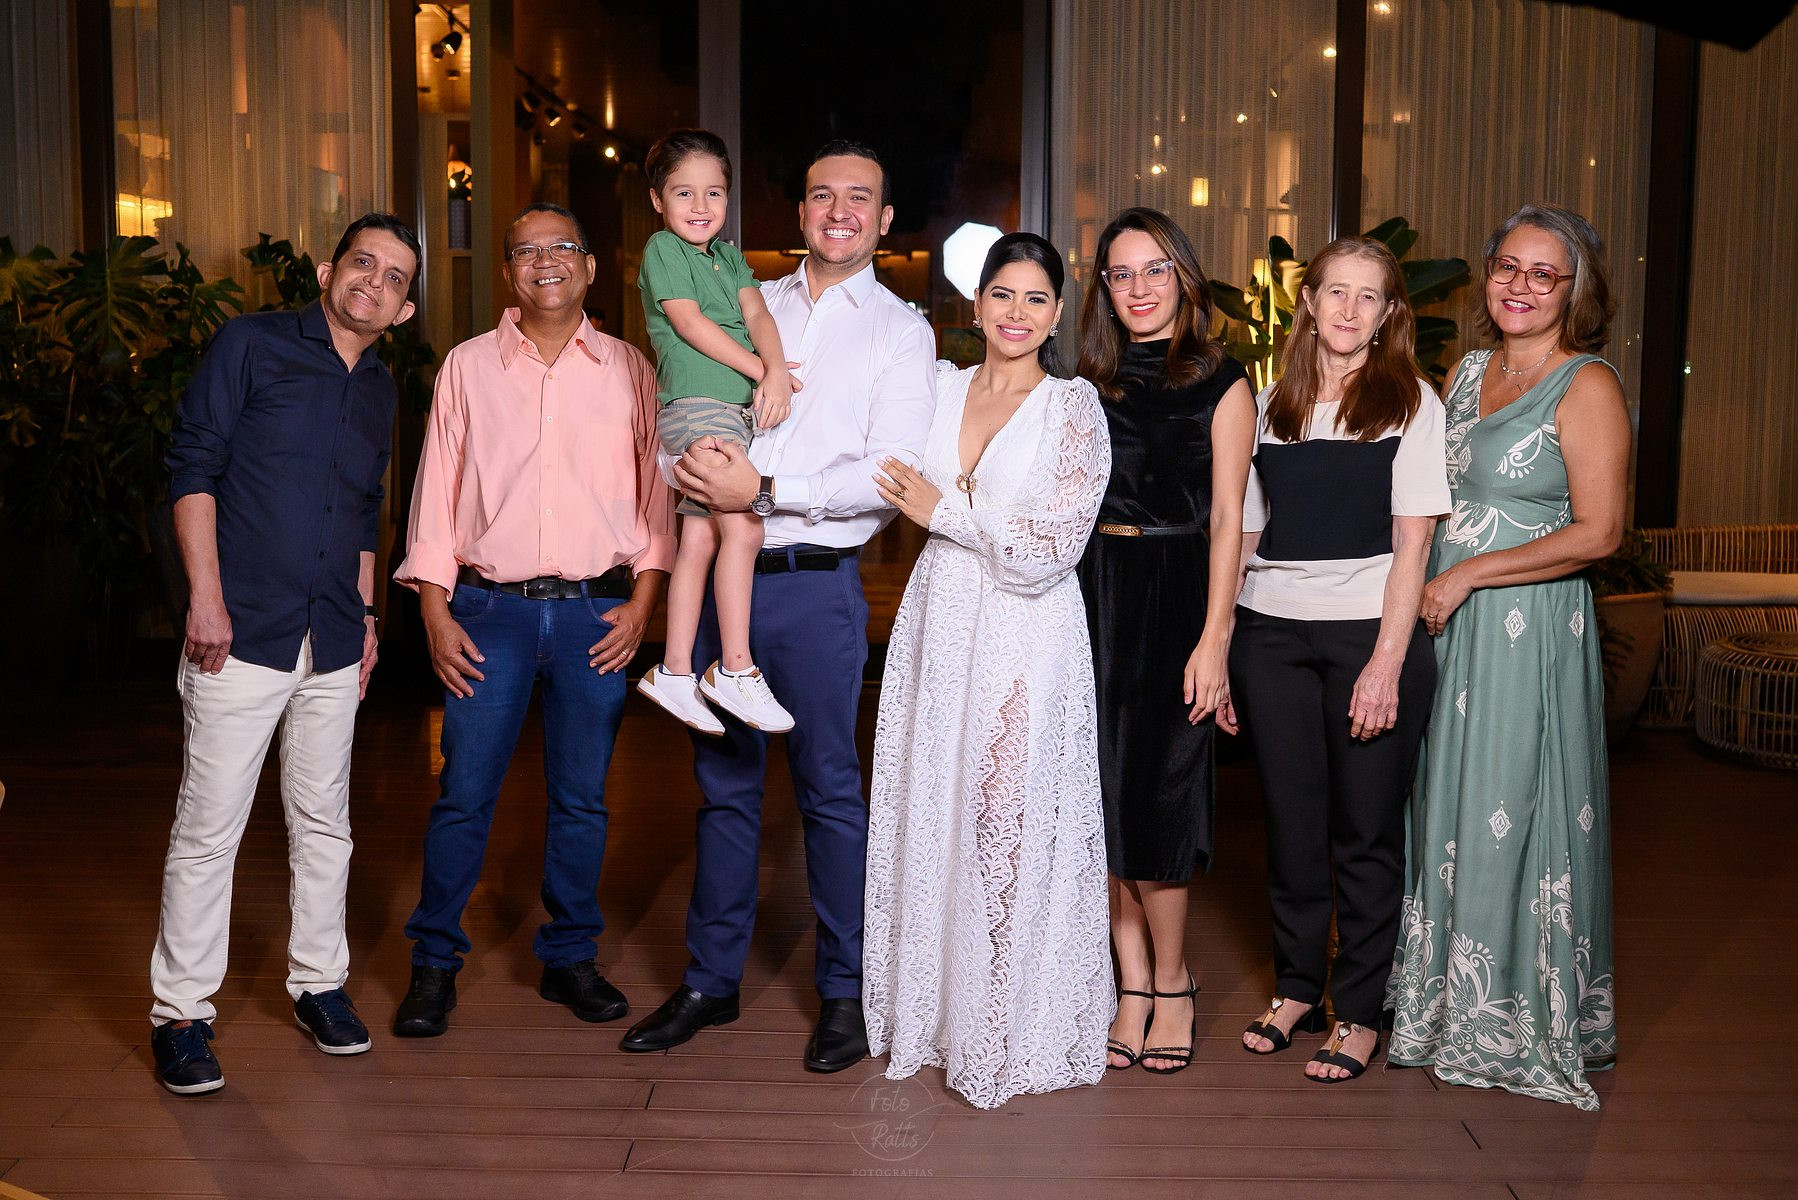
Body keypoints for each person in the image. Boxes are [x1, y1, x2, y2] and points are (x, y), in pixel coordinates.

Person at [619, 141, 935, 1072]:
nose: (838, 211)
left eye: (859, 198)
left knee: (830, 790)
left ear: (883, 219)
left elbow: (889, 474)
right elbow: (682, 390)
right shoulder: (744, 295)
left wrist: (761, 487)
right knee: (722, 787)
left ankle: (844, 993)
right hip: (723, 576)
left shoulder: (901, 332)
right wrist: (693, 469)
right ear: (799, 212)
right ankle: (710, 981)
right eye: (820, 194)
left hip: (814, 585)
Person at [151, 213, 420, 1095]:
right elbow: (193, 467)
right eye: (362, 263)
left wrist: (368, 617)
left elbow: (366, 505)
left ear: (403, 311)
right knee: (209, 832)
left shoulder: (379, 387)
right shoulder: (251, 344)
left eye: (393, 278)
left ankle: (319, 986)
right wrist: (206, 598)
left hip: (334, 638)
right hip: (241, 632)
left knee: (325, 824)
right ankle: (181, 1015)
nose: (374, 281)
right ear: (326, 271)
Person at [390, 201, 673, 1038]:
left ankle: (569, 958)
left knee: (583, 799)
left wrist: (643, 604)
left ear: (590, 266)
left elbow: (657, 497)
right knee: (463, 793)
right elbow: (434, 496)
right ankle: (433, 964)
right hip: (487, 614)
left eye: (562, 247)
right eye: (526, 251)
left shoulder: (632, 370)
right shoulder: (468, 367)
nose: (545, 261)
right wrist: (435, 612)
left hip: (596, 615)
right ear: (508, 272)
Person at [863, 232, 1112, 1109]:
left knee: (1005, 812)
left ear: (1057, 315)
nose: (1017, 313)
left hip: (1028, 629)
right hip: (941, 617)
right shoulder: (934, 388)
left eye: (1036, 299)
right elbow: (868, 457)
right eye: (1002, 294)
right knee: (937, 802)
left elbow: (1053, 547)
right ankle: (937, 1014)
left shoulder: (1073, 407)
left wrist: (947, 513)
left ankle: (1002, 1024)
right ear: (976, 303)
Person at [1387, 204, 1626, 1110]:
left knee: (1511, 800)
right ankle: (1440, 1004)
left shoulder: (1585, 385)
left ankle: (1511, 1020)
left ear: (1574, 290)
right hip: (1449, 625)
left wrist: (1470, 574)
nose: (1520, 286)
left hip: (1528, 628)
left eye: (1543, 273)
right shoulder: (1466, 372)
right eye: (1506, 267)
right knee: (1446, 798)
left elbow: (1601, 532)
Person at [1229, 236, 1449, 1082]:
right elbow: (1246, 534)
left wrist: (1387, 663)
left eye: (1369, 296)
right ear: (1309, 303)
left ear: (1389, 313)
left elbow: (1413, 544)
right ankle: (1296, 990)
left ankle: (1357, 1009)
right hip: (1272, 637)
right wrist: (1221, 644)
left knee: (1365, 833)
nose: (1350, 310)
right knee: (1291, 825)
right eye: (1335, 292)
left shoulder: (1410, 403)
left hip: (1369, 635)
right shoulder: (1268, 403)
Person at [1074, 208, 1255, 1075]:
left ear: (1184, 277)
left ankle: (1174, 981)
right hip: (1089, 592)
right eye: (1121, 273)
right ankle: (1132, 983)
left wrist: (1215, 638)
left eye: (1154, 270)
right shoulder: (1087, 383)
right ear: (1103, 289)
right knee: (1101, 794)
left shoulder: (1223, 381)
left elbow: (1230, 520)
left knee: (1161, 798)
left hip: (1177, 591)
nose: (1138, 288)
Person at [635, 128, 798, 736]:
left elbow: (758, 312)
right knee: (746, 526)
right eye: (684, 193)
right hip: (698, 406)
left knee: (701, 539)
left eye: (714, 192)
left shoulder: (728, 258)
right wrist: (761, 371)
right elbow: (689, 323)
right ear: (658, 200)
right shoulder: (663, 249)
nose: (701, 206)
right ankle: (734, 667)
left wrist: (776, 371)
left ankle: (675, 670)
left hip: (727, 411)